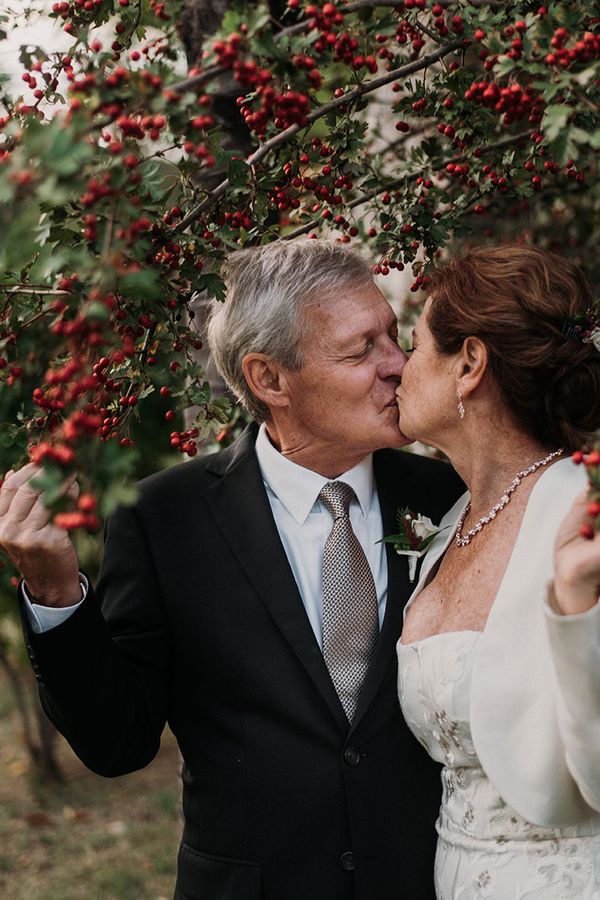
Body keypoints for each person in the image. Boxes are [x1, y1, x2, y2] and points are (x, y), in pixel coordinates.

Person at [0, 240, 464, 900]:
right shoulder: (162, 519)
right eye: (362, 350)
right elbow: (117, 744)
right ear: (270, 379)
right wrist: (52, 591)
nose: (400, 365)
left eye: (395, 336)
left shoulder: (446, 495)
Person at [395, 244, 600, 898]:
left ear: (470, 364)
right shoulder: (449, 523)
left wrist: (575, 610)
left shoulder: (583, 516)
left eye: (417, 346)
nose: (399, 367)